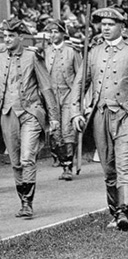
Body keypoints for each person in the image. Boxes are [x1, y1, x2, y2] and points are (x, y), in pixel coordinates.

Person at [0, 18, 60, 219]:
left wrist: (54, 116)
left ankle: (27, 203)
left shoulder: (32, 57)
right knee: (15, 161)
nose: (7, 39)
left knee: (27, 158)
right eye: (5, 36)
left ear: (20, 37)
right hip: (7, 114)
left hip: (31, 112)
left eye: (11, 36)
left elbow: (46, 87)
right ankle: (22, 200)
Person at [72, 7, 128, 229]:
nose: (105, 28)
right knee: (109, 168)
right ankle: (115, 212)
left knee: (125, 164)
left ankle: (125, 211)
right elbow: (79, 84)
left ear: (121, 27)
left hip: (124, 115)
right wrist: (76, 111)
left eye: (110, 24)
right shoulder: (93, 52)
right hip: (99, 115)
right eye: (102, 24)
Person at [43, 19, 81, 181]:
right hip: (52, 96)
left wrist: (80, 99)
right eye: (50, 32)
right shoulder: (46, 51)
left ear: (63, 33)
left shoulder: (72, 52)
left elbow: (80, 77)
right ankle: (61, 159)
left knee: (67, 129)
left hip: (69, 95)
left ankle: (68, 166)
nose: (52, 35)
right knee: (55, 130)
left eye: (55, 32)